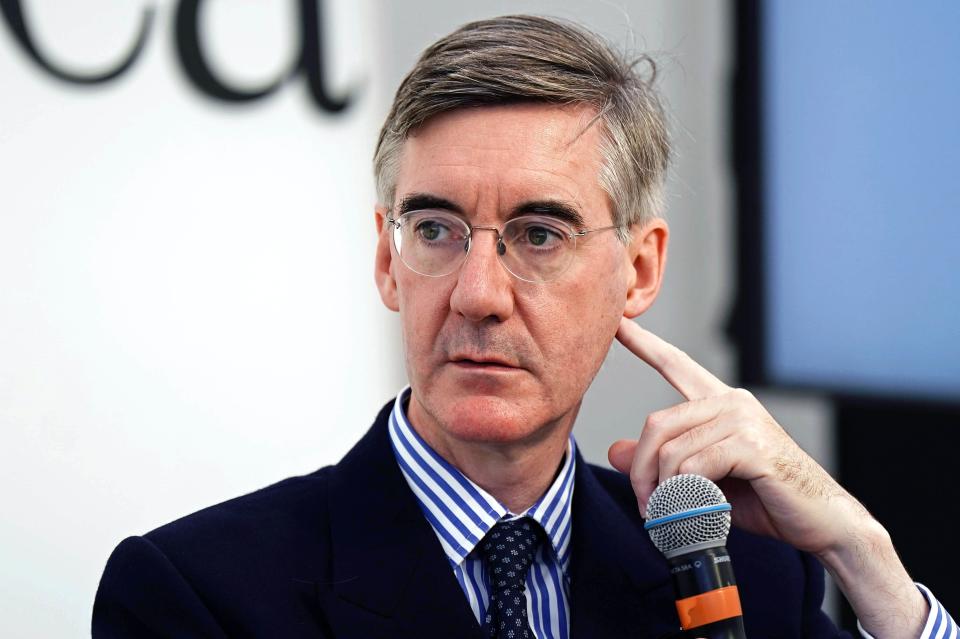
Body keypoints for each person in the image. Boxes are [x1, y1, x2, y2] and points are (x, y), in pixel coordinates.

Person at [93, 15, 954, 639]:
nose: (477, 293)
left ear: (640, 270)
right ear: (388, 262)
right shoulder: (198, 594)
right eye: (434, 230)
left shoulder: (749, 577)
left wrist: (863, 551)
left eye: (539, 235)